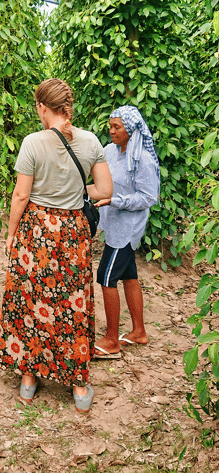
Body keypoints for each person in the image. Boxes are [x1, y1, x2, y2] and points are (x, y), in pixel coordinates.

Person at [0, 79, 113, 413]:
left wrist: (11, 232)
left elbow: (21, 194)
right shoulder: (90, 141)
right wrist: (76, 193)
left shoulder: (33, 143)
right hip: (74, 232)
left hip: (36, 231)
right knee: (72, 302)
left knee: (32, 300)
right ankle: (79, 387)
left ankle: (30, 381)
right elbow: (105, 189)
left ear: (42, 107)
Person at [94, 106, 160, 359]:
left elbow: (147, 197)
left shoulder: (141, 159)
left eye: (117, 127)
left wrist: (115, 201)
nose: (111, 131)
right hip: (112, 224)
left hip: (127, 229)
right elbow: (101, 181)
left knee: (106, 276)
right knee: (129, 275)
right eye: (110, 126)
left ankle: (112, 340)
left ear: (130, 130)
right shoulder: (110, 151)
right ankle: (138, 332)